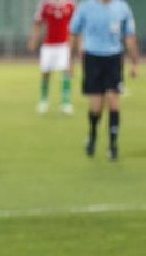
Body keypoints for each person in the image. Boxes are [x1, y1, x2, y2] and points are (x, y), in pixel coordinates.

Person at [70, 0, 138, 161]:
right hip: (93, 57)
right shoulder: (86, 7)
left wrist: (135, 63)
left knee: (114, 100)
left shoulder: (122, 7)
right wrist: (70, 61)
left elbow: (129, 36)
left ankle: (113, 145)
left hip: (114, 58)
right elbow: (74, 33)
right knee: (96, 104)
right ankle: (92, 135)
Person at [28, 0, 76, 114]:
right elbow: (37, 23)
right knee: (46, 72)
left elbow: (75, 26)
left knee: (66, 72)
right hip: (48, 45)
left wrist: (74, 45)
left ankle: (66, 103)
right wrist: (34, 40)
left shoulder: (70, 5)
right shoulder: (45, 4)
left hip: (64, 44)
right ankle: (44, 101)